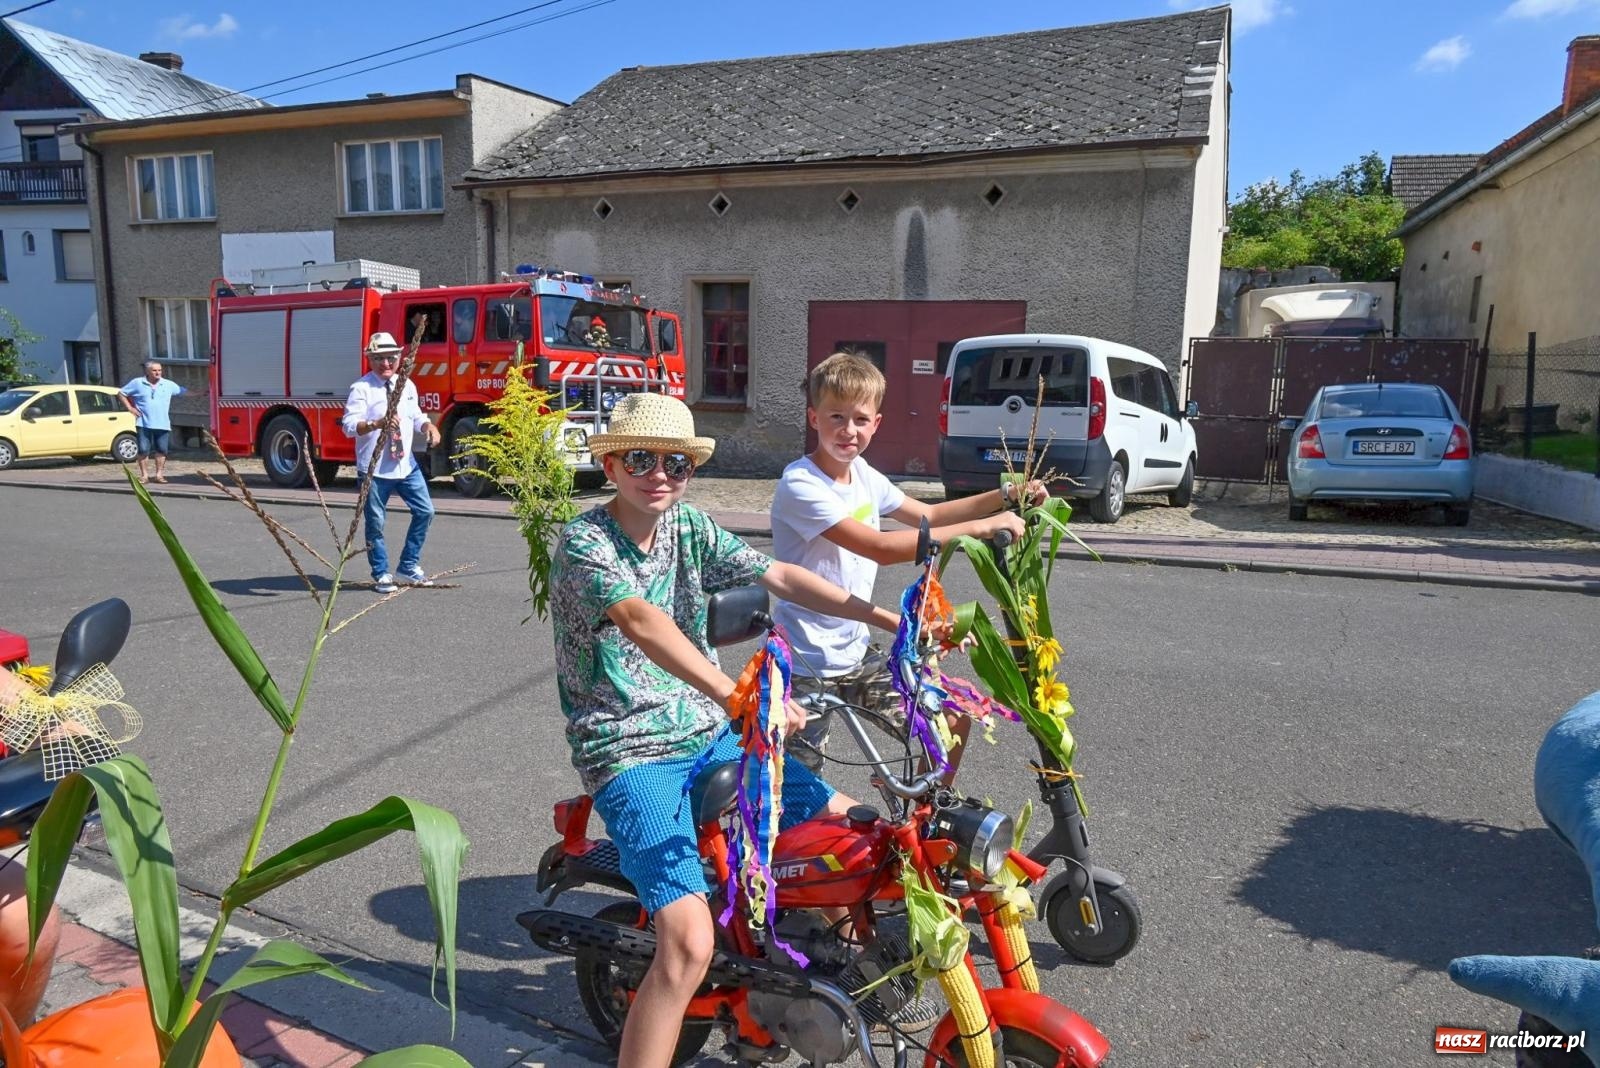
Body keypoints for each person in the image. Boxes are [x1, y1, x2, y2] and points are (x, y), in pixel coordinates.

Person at [549, 392, 900, 1068]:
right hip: (629, 750)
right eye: (641, 459)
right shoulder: (586, 540)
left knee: (851, 834)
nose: (660, 474)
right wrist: (736, 691)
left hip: (710, 730)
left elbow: (782, 573)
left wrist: (887, 619)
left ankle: (822, 990)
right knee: (687, 944)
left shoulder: (690, 526)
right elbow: (641, 622)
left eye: (676, 463)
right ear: (613, 465)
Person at [771, 351, 1047, 774]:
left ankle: (921, 822)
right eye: (836, 417)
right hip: (804, 661)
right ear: (814, 418)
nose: (849, 431)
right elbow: (880, 548)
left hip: (855, 651)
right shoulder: (801, 485)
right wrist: (980, 528)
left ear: (876, 423)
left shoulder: (864, 475)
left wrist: (1008, 495)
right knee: (797, 789)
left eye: (861, 420)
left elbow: (930, 516)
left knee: (949, 724)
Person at [341, 332, 442, 595]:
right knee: (375, 522)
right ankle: (381, 573)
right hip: (374, 470)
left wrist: (429, 426)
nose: (386, 363)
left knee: (426, 511)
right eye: (379, 359)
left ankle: (408, 565)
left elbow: (416, 415)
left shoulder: (406, 385)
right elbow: (349, 426)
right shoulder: (361, 388)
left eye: (390, 358)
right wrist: (376, 423)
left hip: (405, 465)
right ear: (370, 360)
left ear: (399, 358)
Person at [118, 361, 186, 484]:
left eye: (159, 370)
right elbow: (121, 393)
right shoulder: (138, 383)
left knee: (162, 450)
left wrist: (202, 392)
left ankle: (159, 475)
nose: (158, 372)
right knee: (143, 450)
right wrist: (130, 408)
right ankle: (144, 476)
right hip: (143, 423)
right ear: (147, 371)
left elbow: (182, 391)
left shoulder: (167, 384)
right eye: (154, 370)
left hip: (162, 423)